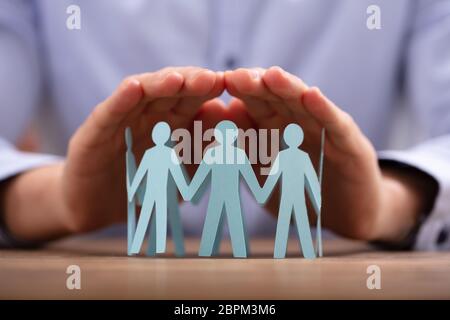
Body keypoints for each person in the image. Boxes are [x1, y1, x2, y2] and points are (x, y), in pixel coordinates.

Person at [0, 1, 448, 251]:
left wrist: (390, 201)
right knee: (171, 228)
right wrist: (53, 199)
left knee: (194, 222)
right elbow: (181, 175)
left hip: (330, 254)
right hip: (115, 262)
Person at [186, 120, 261, 258]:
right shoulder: (222, 154)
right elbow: (201, 175)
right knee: (223, 221)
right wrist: (260, 193)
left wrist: (190, 191)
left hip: (225, 197)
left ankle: (225, 251)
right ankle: (225, 251)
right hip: (224, 196)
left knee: (228, 222)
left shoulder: (226, 154)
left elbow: (249, 177)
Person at [257, 124, 321, 259]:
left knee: (287, 222)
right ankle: (303, 251)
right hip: (292, 196)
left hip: (291, 196)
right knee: (295, 221)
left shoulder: (286, 157)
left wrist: (263, 194)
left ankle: (286, 252)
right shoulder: (299, 157)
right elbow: (312, 180)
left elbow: (311, 180)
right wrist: (316, 196)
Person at [127, 122, 189, 255]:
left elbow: (140, 174)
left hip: (156, 191)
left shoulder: (153, 153)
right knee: (155, 217)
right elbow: (142, 173)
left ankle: (141, 246)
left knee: (150, 217)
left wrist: (133, 188)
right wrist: (185, 190)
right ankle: (155, 247)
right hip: (156, 191)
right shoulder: (166, 154)